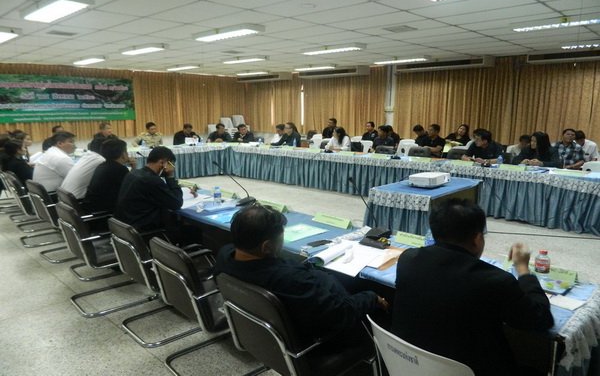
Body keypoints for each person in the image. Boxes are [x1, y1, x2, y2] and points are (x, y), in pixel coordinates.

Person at [391, 199, 553, 376]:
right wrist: (522, 269)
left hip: (410, 365)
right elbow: (541, 320)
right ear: (477, 239)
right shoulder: (495, 280)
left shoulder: (408, 258)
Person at [213, 204, 389, 346]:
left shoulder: (225, 255)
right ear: (266, 247)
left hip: (277, 323)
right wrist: (371, 298)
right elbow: (341, 315)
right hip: (321, 337)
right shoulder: (292, 281)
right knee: (383, 297)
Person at [114, 146, 182, 235]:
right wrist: (170, 176)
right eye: (171, 165)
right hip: (145, 232)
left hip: (127, 229)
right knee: (191, 230)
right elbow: (177, 203)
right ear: (163, 162)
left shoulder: (132, 174)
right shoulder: (152, 180)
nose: (172, 168)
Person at [83, 139, 135, 213]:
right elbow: (132, 188)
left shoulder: (101, 166)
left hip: (91, 208)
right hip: (104, 213)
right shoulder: (119, 169)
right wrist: (134, 168)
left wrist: (133, 168)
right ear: (124, 154)